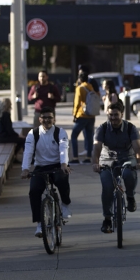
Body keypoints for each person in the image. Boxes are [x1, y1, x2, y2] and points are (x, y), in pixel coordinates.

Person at [92, 102, 140, 234]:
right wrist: (95, 163)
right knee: (107, 186)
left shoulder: (130, 128)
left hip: (127, 158)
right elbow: (97, 147)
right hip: (107, 160)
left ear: (122, 114)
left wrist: (139, 161)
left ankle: (130, 197)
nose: (113, 118)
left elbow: (137, 147)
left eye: (116, 115)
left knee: (128, 174)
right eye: (110, 115)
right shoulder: (102, 128)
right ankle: (107, 219)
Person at [20, 107, 72, 238]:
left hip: (58, 165)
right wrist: (25, 169)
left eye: (50, 117)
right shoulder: (33, 133)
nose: (47, 120)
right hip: (41, 167)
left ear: (54, 119)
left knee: (62, 180)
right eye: (44, 118)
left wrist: (64, 164)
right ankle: (40, 223)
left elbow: (63, 149)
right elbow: (28, 152)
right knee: (34, 191)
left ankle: (65, 204)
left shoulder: (60, 132)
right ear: (40, 119)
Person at [70, 70, 98, 164]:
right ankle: (88, 157)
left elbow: (77, 103)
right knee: (89, 136)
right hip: (91, 115)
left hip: (82, 115)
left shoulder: (80, 88)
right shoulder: (91, 87)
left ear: (80, 79)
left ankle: (75, 157)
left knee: (74, 135)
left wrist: (74, 114)